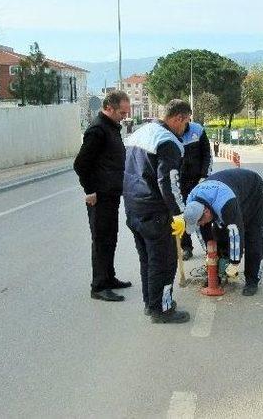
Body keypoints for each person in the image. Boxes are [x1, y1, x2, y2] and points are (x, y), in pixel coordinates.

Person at [123, 99, 192, 324]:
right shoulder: (167, 142)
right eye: (186, 122)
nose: (186, 128)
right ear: (178, 118)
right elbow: (168, 182)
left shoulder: (141, 134)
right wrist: (179, 213)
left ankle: (150, 304)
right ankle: (162, 309)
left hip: (134, 208)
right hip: (156, 213)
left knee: (148, 260)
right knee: (164, 262)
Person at [73, 90, 131, 302]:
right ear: (109, 108)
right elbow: (80, 164)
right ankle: (98, 286)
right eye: (121, 112)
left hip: (111, 194)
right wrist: (89, 191)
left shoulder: (111, 127)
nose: (124, 116)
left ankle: (109, 277)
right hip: (99, 197)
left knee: (110, 237)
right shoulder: (97, 130)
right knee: (101, 239)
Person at [183, 168, 263, 296]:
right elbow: (204, 233)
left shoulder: (226, 205)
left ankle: (253, 280)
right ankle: (219, 272)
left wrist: (234, 262)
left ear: (206, 211)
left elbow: (236, 234)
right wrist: (212, 257)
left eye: (200, 221)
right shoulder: (192, 202)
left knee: (252, 236)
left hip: (255, 191)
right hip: (230, 190)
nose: (200, 224)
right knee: (218, 232)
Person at [179, 114, 212, 260]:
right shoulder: (171, 132)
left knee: (203, 215)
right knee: (182, 216)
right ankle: (186, 247)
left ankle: (210, 248)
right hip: (179, 183)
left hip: (198, 182)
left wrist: (204, 176)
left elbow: (207, 155)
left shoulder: (197, 130)